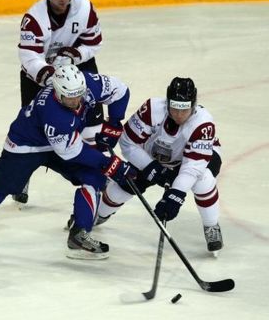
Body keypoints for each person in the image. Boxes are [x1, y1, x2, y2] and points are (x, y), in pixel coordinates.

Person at [0, 65, 136, 259]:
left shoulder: (88, 83)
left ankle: (79, 234)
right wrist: (111, 164)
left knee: (94, 177)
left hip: (61, 143)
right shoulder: (54, 113)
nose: (76, 102)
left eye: (79, 96)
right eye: (69, 98)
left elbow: (120, 91)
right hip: (26, 145)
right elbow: (72, 152)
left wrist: (114, 124)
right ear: (57, 91)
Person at [96, 77, 224, 255]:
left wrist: (176, 193)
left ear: (193, 105)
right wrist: (150, 167)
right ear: (167, 102)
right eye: (174, 108)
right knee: (127, 183)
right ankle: (99, 215)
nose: (179, 115)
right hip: (152, 156)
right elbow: (128, 143)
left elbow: (193, 166)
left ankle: (211, 225)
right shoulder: (152, 109)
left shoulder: (202, 123)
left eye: (184, 109)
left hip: (192, 160)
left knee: (203, 180)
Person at [15, 0, 104, 204]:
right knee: (32, 125)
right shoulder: (34, 18)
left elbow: (94, 43)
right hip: (39, 75)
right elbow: (29, 57)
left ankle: (97, 167)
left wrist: (75, 55)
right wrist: (49, 77)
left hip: (75, 68)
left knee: (93, 117)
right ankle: (22, 175)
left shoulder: (84, 8)